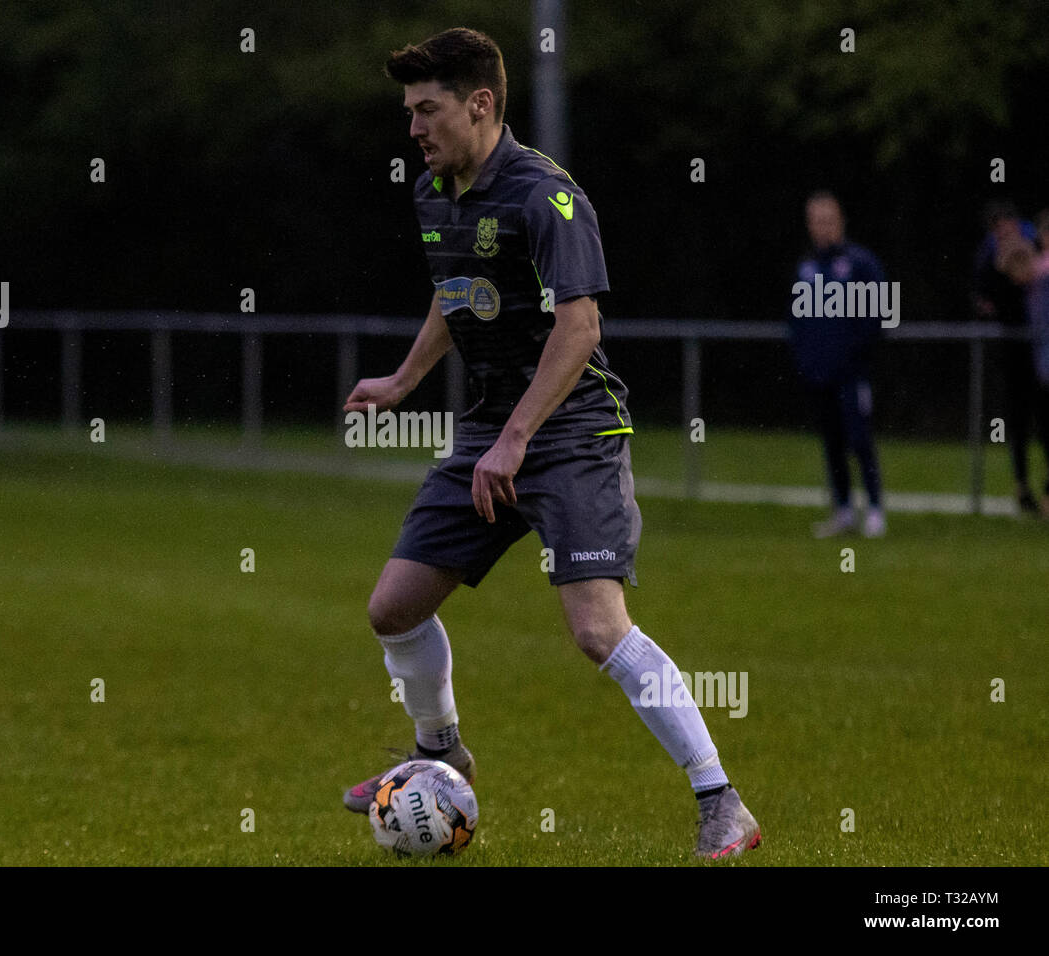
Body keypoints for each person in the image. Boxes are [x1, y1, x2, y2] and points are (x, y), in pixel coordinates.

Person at [341, 27, 760, 859]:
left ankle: (722, 801)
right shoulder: (434, 191)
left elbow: (581, 326)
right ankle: (439, 751)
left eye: (428, 110)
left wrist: (518, 440)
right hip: (495, 429)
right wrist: (402, 381)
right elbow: (452, 292)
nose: (414, 129)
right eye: (409, 113)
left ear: (482, 104)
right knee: (392, 607)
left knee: (597, 628)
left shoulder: (545, 197)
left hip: (570, 429)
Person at [789, 192, 888, 538]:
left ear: (840, 221)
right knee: (832, 444)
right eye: (815, 221)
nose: (822, 227)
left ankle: (875, 509)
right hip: (819, 376)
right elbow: (798, 322)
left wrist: (856, 356)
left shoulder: (861, 263)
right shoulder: (807, 267)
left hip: (852, 374)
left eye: (827, 220)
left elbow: (879, 314)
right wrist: (806, 360)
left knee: (860, 441)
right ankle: (843, 510)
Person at [973, 201, 1048, 515]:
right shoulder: (992, 260)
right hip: (1024, 357)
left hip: (1040, 357)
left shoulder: (1039, 266)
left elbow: (1026, 272)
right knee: (1019, 423)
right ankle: (1026, 487)